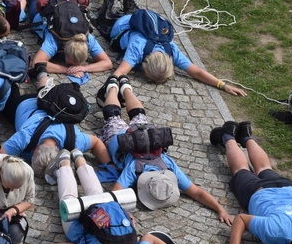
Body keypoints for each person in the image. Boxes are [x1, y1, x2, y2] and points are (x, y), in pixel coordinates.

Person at [17, 149, 185, 244]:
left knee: (97, 196)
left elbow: (149, 238)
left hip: (106, 214)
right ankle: (64, 164)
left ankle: (79, 158)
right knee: (69, 197)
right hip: (79, 226)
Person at [98, 77, 233, 224]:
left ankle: (124, 87)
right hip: (118, 140)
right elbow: (116, 193)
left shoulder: (168, 164)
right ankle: (113, 87)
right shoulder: (137, 168)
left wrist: (221, 210)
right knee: (112, 115)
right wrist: (124, 212)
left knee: (138, 115)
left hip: (143, 135)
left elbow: (198, 193)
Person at [108, 4, 246, 94]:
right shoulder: (138, 48)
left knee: (131, 6)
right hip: (122, 25)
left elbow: (197, 72)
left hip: (142, 24)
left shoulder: (170, 50)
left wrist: (223, 85)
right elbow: (119, 73)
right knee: (110, 13)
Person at [1, 89, 111, 176]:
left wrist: (110, 166)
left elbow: (96, 142)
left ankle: (41, 73)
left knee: (42, 89)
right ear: (35, 151)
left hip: (47, 102)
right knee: (7, 97)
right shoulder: (26, 136)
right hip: (25, 103)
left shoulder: (73, 140)